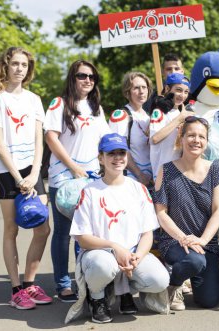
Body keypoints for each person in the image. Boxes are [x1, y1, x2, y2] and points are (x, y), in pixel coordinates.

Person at [69, 133, 170, 323]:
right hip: (99, 254)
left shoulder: (138, 189)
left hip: (131, 253)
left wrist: (137, 257)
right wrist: (115, 248)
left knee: (159, 280)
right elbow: (82, 238)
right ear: (101, 158)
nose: (117, 158)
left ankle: (124, 291)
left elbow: (147, 233)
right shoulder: (90, 191)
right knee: (104, 265)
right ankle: (97, 297)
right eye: (111, 153)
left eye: (121, 153)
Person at [0, 46, 52, 309]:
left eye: (24, 65)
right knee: (11, 228)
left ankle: (30, 284)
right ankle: (15, 291)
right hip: (6, 171)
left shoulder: (34, 99)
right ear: (5, 66)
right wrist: (18, 177)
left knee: (42, 228)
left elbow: (38, 141)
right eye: (15, 64)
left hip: (31, 171)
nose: (20, 69)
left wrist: (34, 173)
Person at [44, 60, 110, 302]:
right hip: (64, 178)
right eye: (82, 76)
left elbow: (105, 140)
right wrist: (73, 167)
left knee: (84, 232)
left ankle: (82, 278)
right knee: (62, 232)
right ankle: (62, 283)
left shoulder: (96, 108)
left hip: (90, 179)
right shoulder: (59, 104)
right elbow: (51, 138)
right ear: (72, 78)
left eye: (92, 77)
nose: (88, 81)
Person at [154, 116, 219, 310]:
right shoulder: (166, 170)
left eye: (201, 137)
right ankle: (172, 284)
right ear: (182, 137)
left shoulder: (215, 170)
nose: (196, 140)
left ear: (206, 141)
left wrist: (202, 240)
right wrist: (184, 238)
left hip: (205, 244)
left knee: (208, 301)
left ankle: (189, 274)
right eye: (191, 135)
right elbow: (161, 213)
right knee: (194, 260)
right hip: (175, 242)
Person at [109, 72, 153, 187]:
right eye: (136, 88)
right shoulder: (121, 116)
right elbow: (119, 150)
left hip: (151, 179)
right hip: (130, 178)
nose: (141, 91)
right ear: (127, 92)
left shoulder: (149, 117)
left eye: (144, 87)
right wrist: (139, 175)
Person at [150, 73, 191, 180]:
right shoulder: (159, 112)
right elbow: (154, 139)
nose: (182, 95)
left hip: (180, 174)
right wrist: (179, 120)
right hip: (161, 175)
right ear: (167, 88)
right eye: (178, 90)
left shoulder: (182, 113)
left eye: (186, 92)